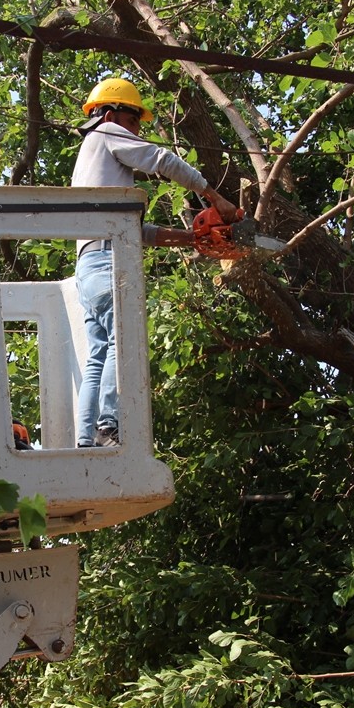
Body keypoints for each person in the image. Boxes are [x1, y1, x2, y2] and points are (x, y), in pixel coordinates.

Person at [71, 77, 240, 448]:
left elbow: (135, 231)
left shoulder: (91, 162)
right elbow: (161, 159)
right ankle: (110, 426)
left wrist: (192, 238)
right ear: (113, 112)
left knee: (99, 355)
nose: (136, 132)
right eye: (135, 122)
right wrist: (213, 196)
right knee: (120, 340)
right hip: (107, 260)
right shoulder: (107, 132)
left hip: (88, 267)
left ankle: (86, 440)